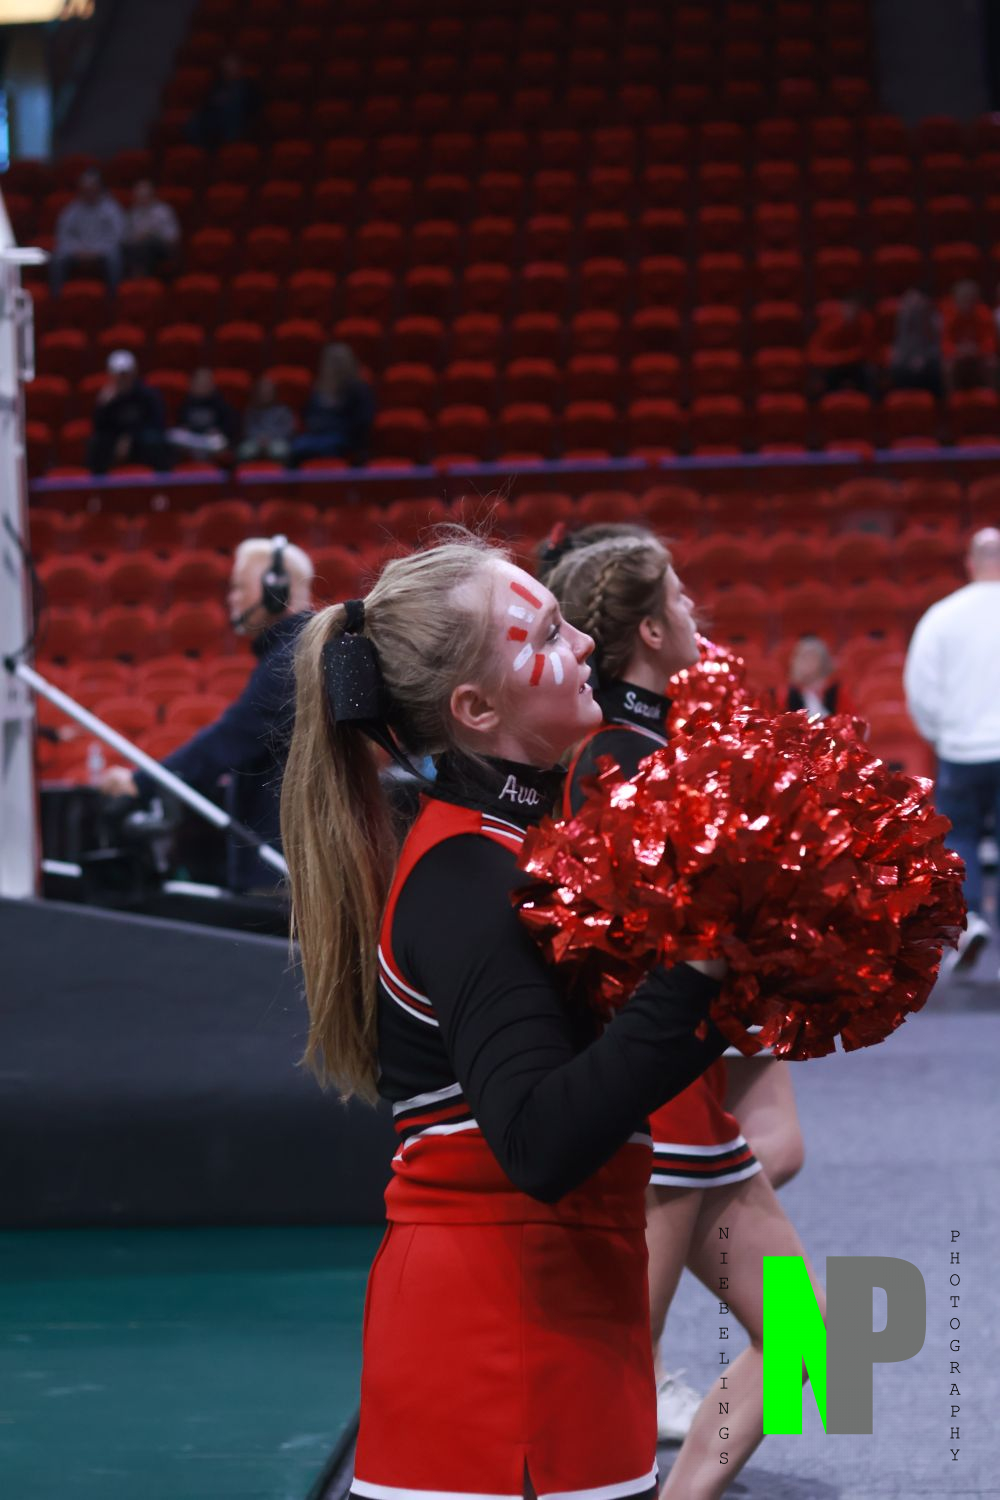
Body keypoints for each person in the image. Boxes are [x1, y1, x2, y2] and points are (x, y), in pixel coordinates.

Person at [280, 534, 751, 1500]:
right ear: (475, 708)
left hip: (628, 1217)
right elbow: (541, 1139)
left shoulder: (525, 833)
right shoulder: (492, 857)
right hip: (525, 1331)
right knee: (811, 1334)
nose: (579, 645)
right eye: (544, 634)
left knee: (813, 1332)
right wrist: (707, 974)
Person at [548, 532, 818, 1493]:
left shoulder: (648, 749)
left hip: (692, 1098)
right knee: (617, 1366)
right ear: (653, 631)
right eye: (682, 596)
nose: (698, 610)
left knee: (803, 1336)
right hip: (653, 1103)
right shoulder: (615, 759)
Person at [100, 537, 313, 891]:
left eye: (239, 588)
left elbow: (230, 739)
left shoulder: (292, 656)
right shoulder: (295, 649)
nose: (232, 599)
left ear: (275, 588)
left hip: (282, 869)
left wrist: (141, 784)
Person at [904, 526, 1000, 970]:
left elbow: (920, 687)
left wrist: (940, 735)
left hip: (962, 750)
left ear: (970, 563)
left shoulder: (942, 616)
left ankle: (974, 917)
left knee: (960, 837)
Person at [289, 342, 375, 466]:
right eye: (331, 361)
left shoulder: (359, 390)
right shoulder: (318, 389)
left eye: (339, 361)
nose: (335, 366)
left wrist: (334, 425)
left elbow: (362, 422)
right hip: (316, 436)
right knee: (297, 447)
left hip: (343, 437)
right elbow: (308, 414)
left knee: (325, 446)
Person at [86, 350, 171, 474]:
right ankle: (97, 483)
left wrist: (130, 437)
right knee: (96, 443)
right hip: (115, 442)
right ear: (111, 375)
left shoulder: (148, 395)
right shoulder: (107, 399)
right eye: (118, 375)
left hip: (140, 440)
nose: (122, 379)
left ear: (134, 372)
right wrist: (102, 406)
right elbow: (99, 428)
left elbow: (157, 423)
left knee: (155, 441)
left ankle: (162, 482)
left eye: (125, 374)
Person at [49, 169, 125, 295]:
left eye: (92, 188)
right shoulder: (72, 209)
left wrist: (95, 251)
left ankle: (113, 297)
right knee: (58, 257)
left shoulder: (111, 208)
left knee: (114, 257)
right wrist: (78, 250)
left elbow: (117, 235)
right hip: (77, 250)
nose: (88, 192)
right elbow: (63, 235)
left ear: (99, 188)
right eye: (85, 189)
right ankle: (55, 298)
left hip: (102, 250)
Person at [185, 52, 260, 149]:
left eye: (232, 66)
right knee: (194, 121)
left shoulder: (247, 85)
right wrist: (217, 101)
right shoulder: (217, 85)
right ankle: (200, 148)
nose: (228, 69)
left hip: (237, 119)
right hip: (216, 116)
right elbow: (206, 104)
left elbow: (254, 105)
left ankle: (227, 144)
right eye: (226, 66)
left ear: (239, 67)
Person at [806, 295, 877, 395]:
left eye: (856, 309)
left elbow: (869, 350)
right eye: (849, 307)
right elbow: (814, 355)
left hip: (856, 365)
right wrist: (841, 359)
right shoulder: (831, 324)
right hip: (831, 366)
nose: (851, 312)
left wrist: (850, 357)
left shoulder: (866, 321)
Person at [167, 367, 239, 464]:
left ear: (212, 385)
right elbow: (180, 423)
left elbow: (229, 425)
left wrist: (218, 430)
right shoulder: (187, 402)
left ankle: (200, 454)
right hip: (193, 439)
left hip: (209, 440)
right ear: (192, 384)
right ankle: (199, 453)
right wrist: (185, 429)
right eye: (199, 382)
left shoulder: (220, 403)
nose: (202, 385)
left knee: (219, 441)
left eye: (205, 382)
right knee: (173, 435)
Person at [941, 279, 997, 392]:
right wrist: (958, 350)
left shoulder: (984, 314)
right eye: (963, 298)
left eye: (970, 298)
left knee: (992, 363)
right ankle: (951, 398)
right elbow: (944, 342)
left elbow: (990, 341)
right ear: (955, 300)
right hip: (958, 356)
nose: (966, 302)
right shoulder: (949, 315)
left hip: (978, 355)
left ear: (976, 300)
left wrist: (977, 350)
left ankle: (992, 397)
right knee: (947, 367)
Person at [889, 288, 943, 399]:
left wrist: (923, 358)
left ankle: (937, 403)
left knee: (934, 367)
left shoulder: (931, 319)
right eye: (909, 302)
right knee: (896, 366)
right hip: (907, 359)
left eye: (917, 303)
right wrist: (906, 358)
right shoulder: (902, 319)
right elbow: (901, 344)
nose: (913, 306)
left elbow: (935, 346)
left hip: (927, 359)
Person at [122, 179, 181, 279]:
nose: (141, 200)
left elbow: (172, 237)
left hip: (162, 248)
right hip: (137, 248)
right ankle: (136, 279)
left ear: (152, 196)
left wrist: (150, 234)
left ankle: (144, 278)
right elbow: (126, 237)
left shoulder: (164, 211)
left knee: (148, 244)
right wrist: (137, 238)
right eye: (139, 197)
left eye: (144, 196)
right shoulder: (133, 213)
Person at [786, 634, 854, 717]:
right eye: (803, 657)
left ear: (823, 661)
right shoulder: (787, 694)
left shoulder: (837, 692)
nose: (807, 662)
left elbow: (849, 718)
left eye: (812, 657)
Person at [237, 375, 297, 464]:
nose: (265, 394)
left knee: (280, 450)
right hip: (255, 441)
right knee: (244, 450)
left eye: (268, 392)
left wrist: (270, 438)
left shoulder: (283, 411)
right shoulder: (251, 411)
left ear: (274, 393)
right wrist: (260, 439)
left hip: (276, 441)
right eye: (262, 391)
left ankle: (282, 472)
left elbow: (287, 430)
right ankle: (247, 472)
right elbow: (248, 429)